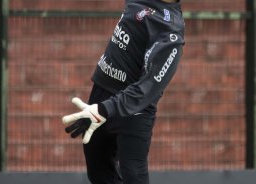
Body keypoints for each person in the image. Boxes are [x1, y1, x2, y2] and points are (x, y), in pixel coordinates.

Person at [62, 0, 185, 183]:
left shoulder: (170, 31)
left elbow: (148, 86)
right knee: (98, 173)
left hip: (134, 111)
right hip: (101, 95)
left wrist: (103, 110)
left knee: (133, 176)